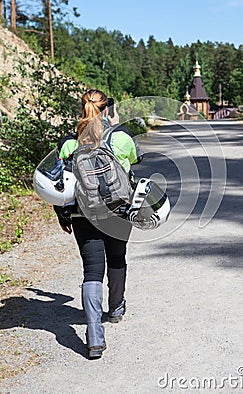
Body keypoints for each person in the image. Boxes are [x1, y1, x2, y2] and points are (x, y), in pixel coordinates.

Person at [54, 89, 142, 360]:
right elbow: (134, 162)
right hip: (117, 212)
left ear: (82, 109)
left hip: (83, 215)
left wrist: (62, 215)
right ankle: (116, 308)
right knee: (117, 258)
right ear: (107, 109)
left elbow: (60, 185)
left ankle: (94, 337)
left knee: (91, 271)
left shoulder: (69, 143)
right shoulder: (120, 137)